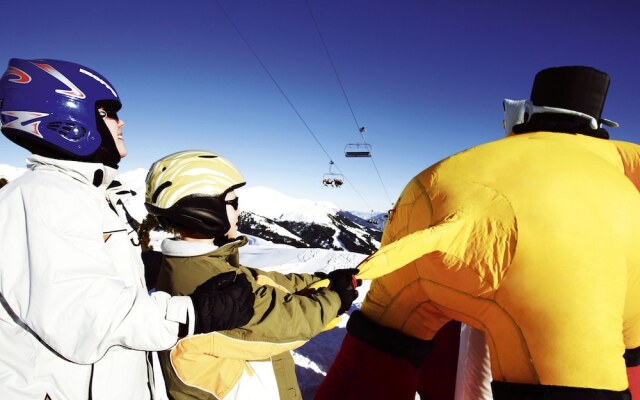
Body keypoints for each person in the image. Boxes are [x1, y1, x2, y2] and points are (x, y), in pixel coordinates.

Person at [317, 66, 640, 400]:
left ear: (525, 113)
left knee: (387, 335)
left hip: (426, 199)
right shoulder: (616, 169)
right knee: (579, 371)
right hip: (560, 275)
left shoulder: (473, 158)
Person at [0, 58, 256, 400]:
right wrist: (195, 313)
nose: (121, 123)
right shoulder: (43, 196)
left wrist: (137, 268)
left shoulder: (84, 194)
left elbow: (76, 277)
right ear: (67, 120)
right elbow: (85, 314)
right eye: (107, 112)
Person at [142, 149, 360, 400]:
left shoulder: (199, 264)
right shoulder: (208, 284)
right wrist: (336, 298)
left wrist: (324, 279)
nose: (238, 211)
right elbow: (289, 323)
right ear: (204, 208)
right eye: (233, 203)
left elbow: (267, 282)